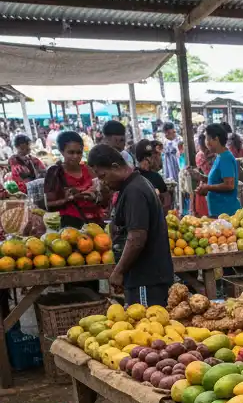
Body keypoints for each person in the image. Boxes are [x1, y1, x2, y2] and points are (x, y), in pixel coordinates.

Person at [87, 144, 174, 306]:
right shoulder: (133, 185)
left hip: (146, 278)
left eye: (103, 175)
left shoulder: (134, 191)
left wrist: (119, 272)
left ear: (115, 167)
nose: (102, 182)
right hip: (142, 277)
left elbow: (137, 237)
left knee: (148, 327)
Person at [43, 131, 106, 229]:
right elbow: (47, 204)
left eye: (79, 152)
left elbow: (101, 195)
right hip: (70, 225)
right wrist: (68, 199)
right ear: (61, 151)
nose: (76, 156)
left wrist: (94, 196)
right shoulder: (55, 172)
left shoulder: (88, 169)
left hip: (95, 222)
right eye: (71, 152)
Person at [194, 122, 239, 217]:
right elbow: (218, 180)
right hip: (219, 211)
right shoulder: (220, 156)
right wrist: (203, 178)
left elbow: (229, 185)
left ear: (216, 139)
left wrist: (208, 187)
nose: (205, 142)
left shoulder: (225, 158)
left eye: (207, 138)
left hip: (226, 212)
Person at [135, 139, 171, 212]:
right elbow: (167, 200)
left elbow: (167, 199)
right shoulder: (155, 176)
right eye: (152, 156)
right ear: (148, 158)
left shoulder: (132, 175)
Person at [161, 123, 181, 187]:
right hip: (168, 166)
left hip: (179, 164)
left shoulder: (179, 139)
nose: (167, 134)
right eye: (165, 133)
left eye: (169, 132)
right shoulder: (163, 141)